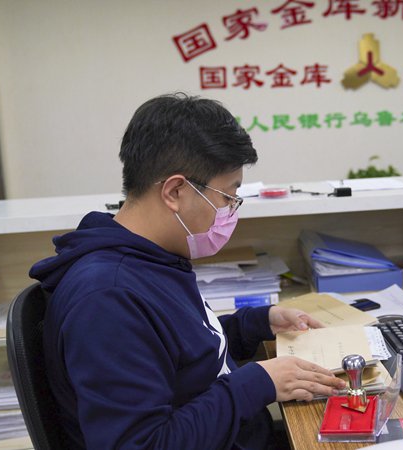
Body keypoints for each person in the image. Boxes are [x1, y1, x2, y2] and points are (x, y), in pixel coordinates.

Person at [29, 94, 346, 449]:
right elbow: (142, 444)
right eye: (227, 197)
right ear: (175, 191)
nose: (230, 211)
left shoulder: (150, 258)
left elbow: (180, 355)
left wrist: (257, 323)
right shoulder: (108, 299)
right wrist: (258, 383)